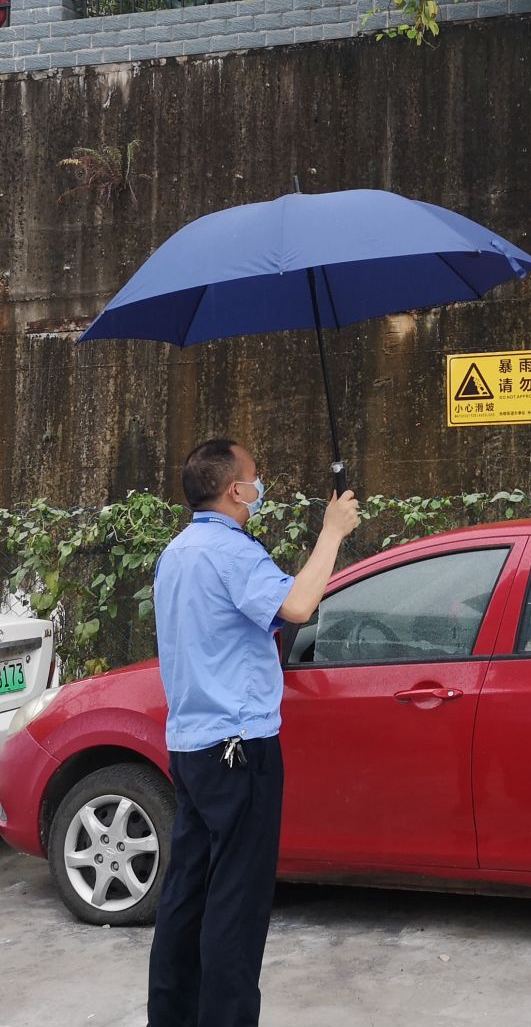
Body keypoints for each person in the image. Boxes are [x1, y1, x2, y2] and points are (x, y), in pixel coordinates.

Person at [146, 438, 359, 1027]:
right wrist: (332, 531)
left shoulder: (177, 553)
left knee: (186, 897)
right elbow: (297, 605)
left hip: (189, 748)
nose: (260, 485)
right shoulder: (231, 553)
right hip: (240, 750)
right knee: (236, 908)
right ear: (235, 490)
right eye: (255, 477)